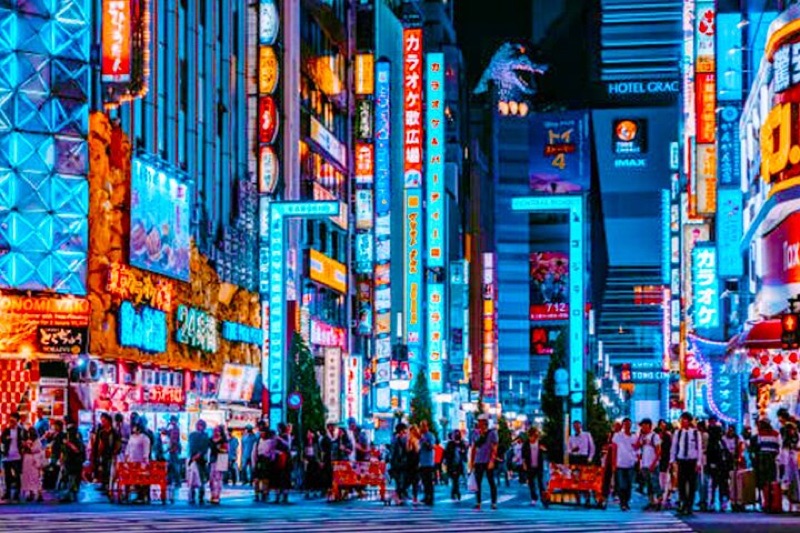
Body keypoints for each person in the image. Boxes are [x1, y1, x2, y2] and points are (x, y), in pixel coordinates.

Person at [670, 411, 704, 516]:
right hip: (681, 460)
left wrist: (699, 462)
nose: (683, 422)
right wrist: (672, 460)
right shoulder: (678, 433)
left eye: (685, 420)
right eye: (682, 420)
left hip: (692, 461)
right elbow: (674, 447)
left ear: (689, 421)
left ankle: (689, 505)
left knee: (692, 484)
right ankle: (683, 503)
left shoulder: (695, 433)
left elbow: (699, 449)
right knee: (681, 483)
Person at [469, 416, 499, 510]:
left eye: (480, 422)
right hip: (478, 461)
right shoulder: (475, 433)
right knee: (478, 482)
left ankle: (493, 503)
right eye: (478, 422)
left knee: (491, 481)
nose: (479, 424)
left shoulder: (492, 433)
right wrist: (472, 461)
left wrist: (492, 460)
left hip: (488, 460)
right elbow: (473, 448)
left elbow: (494, 448)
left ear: (485, 423)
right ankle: (478, 502)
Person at [706, 417, 732, 511]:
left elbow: (727, 453)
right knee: (713, 484)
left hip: (722, 466)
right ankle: (712, 502)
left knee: (722, 484)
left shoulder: (722, 442)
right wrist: (711, 464)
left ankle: (722, 501)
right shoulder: (712, 443)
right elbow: (710, 454)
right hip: (715, 465)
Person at [611, 418, 638, 511]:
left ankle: (626, 501)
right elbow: (614, 449)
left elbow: (637, 448)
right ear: (623, 425)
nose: (627, 426)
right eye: (626, 424)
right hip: (620, 463)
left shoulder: (634, 437)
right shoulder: (617, 436)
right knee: (622, 485)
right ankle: (622, 503)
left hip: (630, 464)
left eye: (629, 424)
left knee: (629, 485)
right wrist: (614, 463)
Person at [754, 418, 780, 506]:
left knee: (764, 479)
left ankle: (767, 501)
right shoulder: (775, 434)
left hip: (764, 457)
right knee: (771, 478)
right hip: (771, 456)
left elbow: (759, 445)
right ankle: (770, 501)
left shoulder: (760, 434)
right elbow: (778, 446)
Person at [91, 413, 120, 493]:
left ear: (108, 421)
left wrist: (115, 452)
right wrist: (99, 453)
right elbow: (100, 444)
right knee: (103, 469)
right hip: (103, 454)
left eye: (104, 421)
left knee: (110, 470)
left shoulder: (114, 432)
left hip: (111, 454)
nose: (103, 422)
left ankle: (109, 486)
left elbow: (118, 443)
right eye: (102, 421)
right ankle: (104, 485)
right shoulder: (101, 432)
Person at [637, 418, 662, 511]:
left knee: (655, 484)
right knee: (649, 485)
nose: (642, 427)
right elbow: (637, 447)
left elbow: (659, 451)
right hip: (644, 464)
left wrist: (654, 463)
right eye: (641, 425)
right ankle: (651, 502)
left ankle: (659, 501)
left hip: (652, 464)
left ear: (649, 425)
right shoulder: (642, 437)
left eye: (644, 425)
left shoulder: (654, 436)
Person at [1, 413, 25, 501]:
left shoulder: (20, 430)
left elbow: (24, 440)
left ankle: (17, 493)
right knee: (7, 475)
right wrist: (6, 438)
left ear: (17, 421)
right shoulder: (6, 430)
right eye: (10, 421)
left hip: (17, 456)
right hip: (7, 456)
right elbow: (2, 439)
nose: (11, 423)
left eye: (13, 421)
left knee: (17, 475)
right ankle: (7, 492)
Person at [124, 422, 151, 503]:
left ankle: (142, 496)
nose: (133, 429)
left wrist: (145, 459)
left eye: (135, 427)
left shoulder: (144, 438)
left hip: (141, 462)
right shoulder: (131, 437)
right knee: (134, 479)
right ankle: (136, 495)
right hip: (131, 461)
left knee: (141, 479)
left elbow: (146, 450)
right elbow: (128, 448)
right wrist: (126, 457)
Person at [521, 427, 548, 507]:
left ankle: (543, 499)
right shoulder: (526, 444)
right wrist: (524, 464)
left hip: (539, 465)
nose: (532, 438)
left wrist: (544, 449)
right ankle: (534, 498)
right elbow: (523, 455)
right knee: (531, 483)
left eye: (534, 436)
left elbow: (546, 450)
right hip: (530, 465)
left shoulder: (540, 443)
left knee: (541, 483)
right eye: (531, 436)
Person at [60, 424, 85, 503]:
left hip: (75, 462)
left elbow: (77, 450)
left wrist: (68, 444)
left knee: (73, 478)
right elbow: (63, 451)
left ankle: (71, 494)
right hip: (69, 462)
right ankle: (71, 494)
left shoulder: (77, 440)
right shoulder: (68, 440)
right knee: (70, 478)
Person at [187, 419, 210, 505]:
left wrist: (196, 456)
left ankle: (199, 496)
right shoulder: (194, 435)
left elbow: (204, 448)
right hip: (195, 458)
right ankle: (193, 496)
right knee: (193, 478)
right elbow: (191, 447)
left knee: (199, 478)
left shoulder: (204, 436)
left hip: (200, 460)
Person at [21, 427, 44, 502]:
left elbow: (34, 450)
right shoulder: (28, 440)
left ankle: (38, 494)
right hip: (27, 460)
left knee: (35, 477)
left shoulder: (37, 441)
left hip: (34, 460)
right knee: (28, 477)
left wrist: (27, 446)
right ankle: (31, 493)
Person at [252, 424, 274, 502]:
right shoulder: (257, 442)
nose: (262, 434)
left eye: (263, 432)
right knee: (256, 479)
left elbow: (272, 453)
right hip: (259, 460)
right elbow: (254, 453)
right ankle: (257, 494)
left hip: (266, 460)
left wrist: (272, 460)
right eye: (260, 432)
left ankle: (265, 493)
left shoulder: (270, 442)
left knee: (265, 479)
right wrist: (254, 463)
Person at [444, 430, 467, 501]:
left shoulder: (462, 443)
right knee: (455, 480)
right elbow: (446, 454)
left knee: (456, 480)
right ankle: (456, 493)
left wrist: (462, 451)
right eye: (455, 435)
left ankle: (455, 493)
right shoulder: (450, 444)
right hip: (452, 464)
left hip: (459, 464)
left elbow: (464, 452)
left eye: (457, 434)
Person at [389, 423, 409, 504]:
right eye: (404, 430)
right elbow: (396, 451)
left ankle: (399, 496)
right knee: (400, 480)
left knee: (400, 480)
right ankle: (397, 496)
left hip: (399, 462)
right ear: (401, 431)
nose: (405, 432)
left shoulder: (395, 438)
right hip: (398, 463)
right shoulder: (397, 439)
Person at [164, 415, 182, 503]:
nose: (172, 422)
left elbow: (174, 440)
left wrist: (170, 448)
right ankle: (172, 480)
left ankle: (176, 481)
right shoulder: (173, 429)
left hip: (173, 450)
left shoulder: (175, 429)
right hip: (172, 450)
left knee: (173, 466)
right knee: (172, 466)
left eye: (172, 420)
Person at [209, 425, 228, 504]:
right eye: (215, 430)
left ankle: (217, 496)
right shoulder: (210, 439)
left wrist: (220, 448)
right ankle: (213, 494)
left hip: (221, 459)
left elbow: (225, 449)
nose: (216, 432)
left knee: (218, 478)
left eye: (218, 430)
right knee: (211, 478)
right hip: (212, 459)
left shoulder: (223, 440)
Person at [273, 423, 292, 503]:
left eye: (279, 428)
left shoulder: (286, 436)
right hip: (278, 458)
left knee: (285, 477)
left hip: (285, 458)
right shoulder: (277, 437)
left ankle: (285, 495)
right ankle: (278, 495)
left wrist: (279, 439)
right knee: (277, 477)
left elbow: (288, 445)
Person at [657, 420, 674, 510]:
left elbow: (671, 449)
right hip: (658, 460)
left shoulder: (668, 436)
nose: (662, 427)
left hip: (666, 459)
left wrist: (671, 461)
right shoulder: (656, 435)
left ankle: (667, 499)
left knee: (667, 480)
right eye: (661, 425)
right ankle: (660, 499)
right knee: (660, 480)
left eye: (664, 425)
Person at [418, 420, 436, 506]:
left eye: (423, 426)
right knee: (424, 481)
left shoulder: (430, 436)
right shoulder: (421, 436)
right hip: (422, 462)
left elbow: (431, 447)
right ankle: (426, 496)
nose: (422, 428)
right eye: (421, 426)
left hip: (428, 462)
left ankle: (430, 497)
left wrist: (424, 441)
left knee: (429, 481)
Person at [302, 429, 321, 498]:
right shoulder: (305, 443)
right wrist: (304, 459)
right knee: (307, 476)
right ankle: (307, 491)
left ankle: (315, 491)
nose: (309, 435)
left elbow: (318, 452)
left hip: (314, 460)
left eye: (310, 433)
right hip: (308, 460)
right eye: (308, 433)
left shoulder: (316, 443)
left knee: (315, 476)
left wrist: (319, 461)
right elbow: (303, 452)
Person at [406, 424, 421, 504]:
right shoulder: (414, 440)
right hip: (415, 461)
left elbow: (407, 451)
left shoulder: (408, 440)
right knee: (415, 480)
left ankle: (402, 493)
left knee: (410, 479)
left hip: (410, 461)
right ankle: (414, 498)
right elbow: (417, 451)